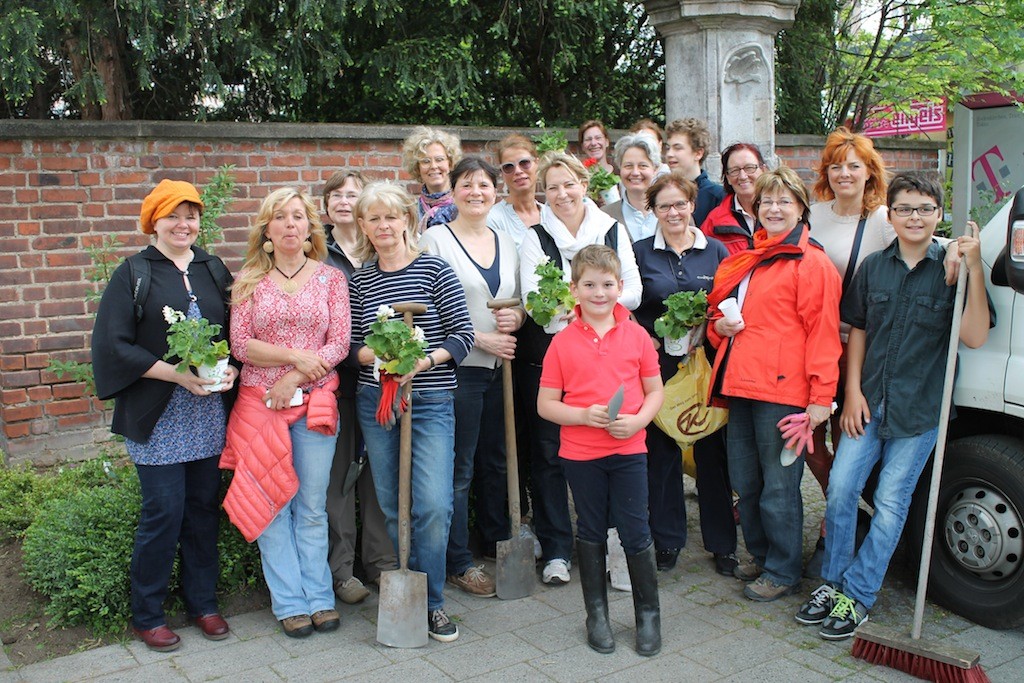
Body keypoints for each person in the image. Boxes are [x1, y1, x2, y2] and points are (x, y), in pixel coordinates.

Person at [796, 172, 991, 639]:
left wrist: (977, 269)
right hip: (868, 402)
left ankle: (858, 594)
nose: (914, 217)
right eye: (904, 208)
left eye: (924, 208)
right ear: (891, 214)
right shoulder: (875, 267)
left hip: (920, 410)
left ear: (938, 214)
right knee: (841, 489)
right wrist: (854, 392)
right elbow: (858, 329)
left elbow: (975, 335)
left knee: (889, 501)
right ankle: (833, 582)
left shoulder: (955, 268)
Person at [93, 180, 236, 652]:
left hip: (207, 412)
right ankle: (148, 613)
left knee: (201, 511)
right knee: (163, 512)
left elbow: (237, 330)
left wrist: (230, 368)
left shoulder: (213, 267)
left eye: (191, 215)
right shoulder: (134, 272)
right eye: (173, 215)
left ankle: (202, 603)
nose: (183, 224)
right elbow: (113, 345)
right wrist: (175, 375)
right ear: (154, 219)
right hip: (157, 415)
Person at [706, 166, 842, 602]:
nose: (774, 208)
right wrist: (719, 330)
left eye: (785, 200)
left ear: (802, 208)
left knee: (780, 487)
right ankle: (762, 558)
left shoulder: (812, 263)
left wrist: (822, 398)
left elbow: (823, 333)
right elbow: (716, 321)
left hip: (783, 393)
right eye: (766, 201)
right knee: (746, 481)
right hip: (741, 386)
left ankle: (783, 571)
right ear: (756, 208)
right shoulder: (748, 260)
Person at [349, 182, 475, 642]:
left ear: (407, 218)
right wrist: (381, 361)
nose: (383, 226)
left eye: (390, 217)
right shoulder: (360, 280)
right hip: (378, 403)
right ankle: (411, 595)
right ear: (363, 225)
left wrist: (420, 361)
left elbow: (462, 337)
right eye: (373, 218)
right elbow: (350, 346)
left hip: (431, 402)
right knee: (393, 504)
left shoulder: (437, 271)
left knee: (434, 505)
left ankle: (434, 602)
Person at [222, 187, 350, 638]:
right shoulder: (248, 281)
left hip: (314, 404)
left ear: (310, 227)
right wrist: (298, 359)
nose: (291, 224)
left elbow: (338, 344)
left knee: (312, 505)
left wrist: (293, 376)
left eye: (299, 216)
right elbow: (242, 345)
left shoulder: (332, 279)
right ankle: (289, 603)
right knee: (272, 504)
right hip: (261, 407)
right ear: (267, 230)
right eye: (281, 217)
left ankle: (319, 599)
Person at [518, 152, 642, 586]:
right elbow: (535, 299)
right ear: (544, 194)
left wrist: (587, 312)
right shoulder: (535, 236)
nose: (561, 193)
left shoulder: (611, 230)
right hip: (553, 356)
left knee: (607, 450)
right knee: (550, 455)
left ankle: (612, 547)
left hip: (607, 357)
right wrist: (581, 314)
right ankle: (556, 549)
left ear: (584, 184)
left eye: (568, 183)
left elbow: (633, 290)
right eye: (552, 187)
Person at [538, 245, 664, 656]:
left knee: (635, 530)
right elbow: (546, 405)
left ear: (620, 287)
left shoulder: (638, 335)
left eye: (607, 284)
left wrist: (641, 420)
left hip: (630, 449)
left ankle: (648, 616)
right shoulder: (561, 343)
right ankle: (597, 615)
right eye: (589, 285)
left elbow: (654, 391)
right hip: (581, 453)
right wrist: (580, 416)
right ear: (574, 289)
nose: (599, 292)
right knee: (590, 531)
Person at [421, 157, 526, 598]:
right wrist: (483, 338)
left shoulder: (508, 241)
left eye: (484, 184)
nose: (476, 192)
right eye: (467, 185)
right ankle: (456, 560)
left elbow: (519, 303)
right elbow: (424, 314)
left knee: (497, 463)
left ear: (495, 191)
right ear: (455, 191)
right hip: (455, 372)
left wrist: (515, 321)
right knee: (459, 469)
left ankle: (496, 541)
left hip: (498, 370)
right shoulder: (435, 240)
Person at [631, 171, 736, 575]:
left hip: (706, 367)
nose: (673, 212)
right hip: (657, 369)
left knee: (712, 453)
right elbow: (629, 307)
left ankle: (723, 544)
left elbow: (730, 303)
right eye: (663, 206)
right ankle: (668, 540)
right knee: (662, 457)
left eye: (680, 204)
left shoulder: (717, 252)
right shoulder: (641, 252)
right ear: (652, 210)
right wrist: (647, 339)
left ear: (692, 204)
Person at [320, 171, 396, 605]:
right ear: (327, 204)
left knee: (379, 476)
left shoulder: (381, 250)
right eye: (337, 194)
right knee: (339, 481)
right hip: (334, 382)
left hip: (380, 382)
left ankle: (382, 563)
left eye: (354, 194)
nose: (345, 201)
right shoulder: (318, 250)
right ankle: (342, 571)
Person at [700, 143, 768, 255]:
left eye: (749, 168)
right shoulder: (714, 222)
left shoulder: (780, 214)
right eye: (734, 170)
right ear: (728, 178)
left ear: (763, 170)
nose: (742, 176)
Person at [664, 118, 725, 228]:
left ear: (698, 153)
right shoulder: (662, 192)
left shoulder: (717, 196)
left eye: (677, 148)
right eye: (668, 148)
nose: (669, 154)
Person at [401, 126, 463, 232]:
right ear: (417, 167)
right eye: (426, 161)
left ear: (451, 163)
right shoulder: (412, 211)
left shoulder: (463, 205)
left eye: (439, 159)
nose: (433, 166)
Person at [602, 134, 661, 242]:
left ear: (655, 169)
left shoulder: (673, 212)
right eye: (628, 166)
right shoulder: (605, 216)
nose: (635, 172)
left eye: (642, 165)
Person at [487, 133, 542, 247]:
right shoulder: (493, 219)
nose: (518, 171)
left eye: (524, 163)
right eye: (508, 167)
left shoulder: (551, 214)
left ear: (537, 163)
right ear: (502, 173)